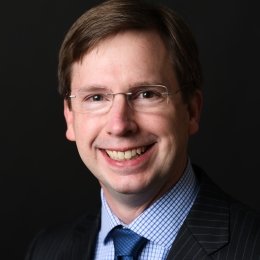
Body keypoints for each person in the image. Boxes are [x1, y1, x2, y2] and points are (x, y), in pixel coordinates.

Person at [25, 0, 260, 259]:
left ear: (191, 111)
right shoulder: (46, 250)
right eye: (96, 98)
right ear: (70, 118)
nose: (119, 125)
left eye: (147, 94)